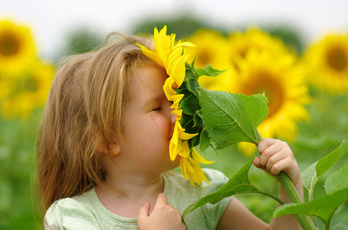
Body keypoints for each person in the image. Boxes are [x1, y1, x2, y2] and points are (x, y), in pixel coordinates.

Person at [37, 31, 303, 230]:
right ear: (105, 138)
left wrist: (290, 190)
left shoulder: (204, 193)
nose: (179, 115)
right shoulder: (73, 218)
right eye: (157, 107)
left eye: (176, 101)